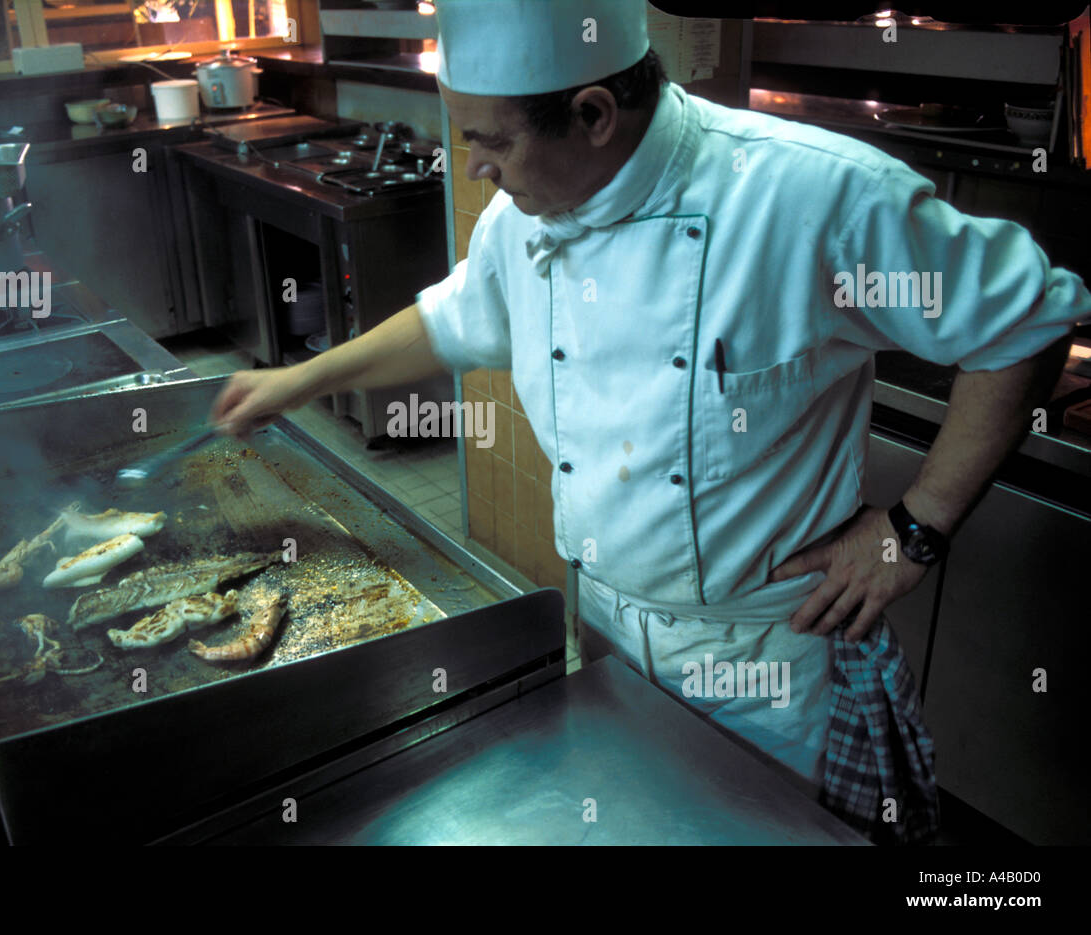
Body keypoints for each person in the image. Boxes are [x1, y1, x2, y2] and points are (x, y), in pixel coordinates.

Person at [211, 0, 1087, 841]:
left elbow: (1030, 322)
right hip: (604, 643)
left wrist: (913, 532)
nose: (475, 167)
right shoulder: (528, 213)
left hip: (764, 672)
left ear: (593, 113)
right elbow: (457, 318)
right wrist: (297, 381)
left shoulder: (809, 196)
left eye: (491, 141)